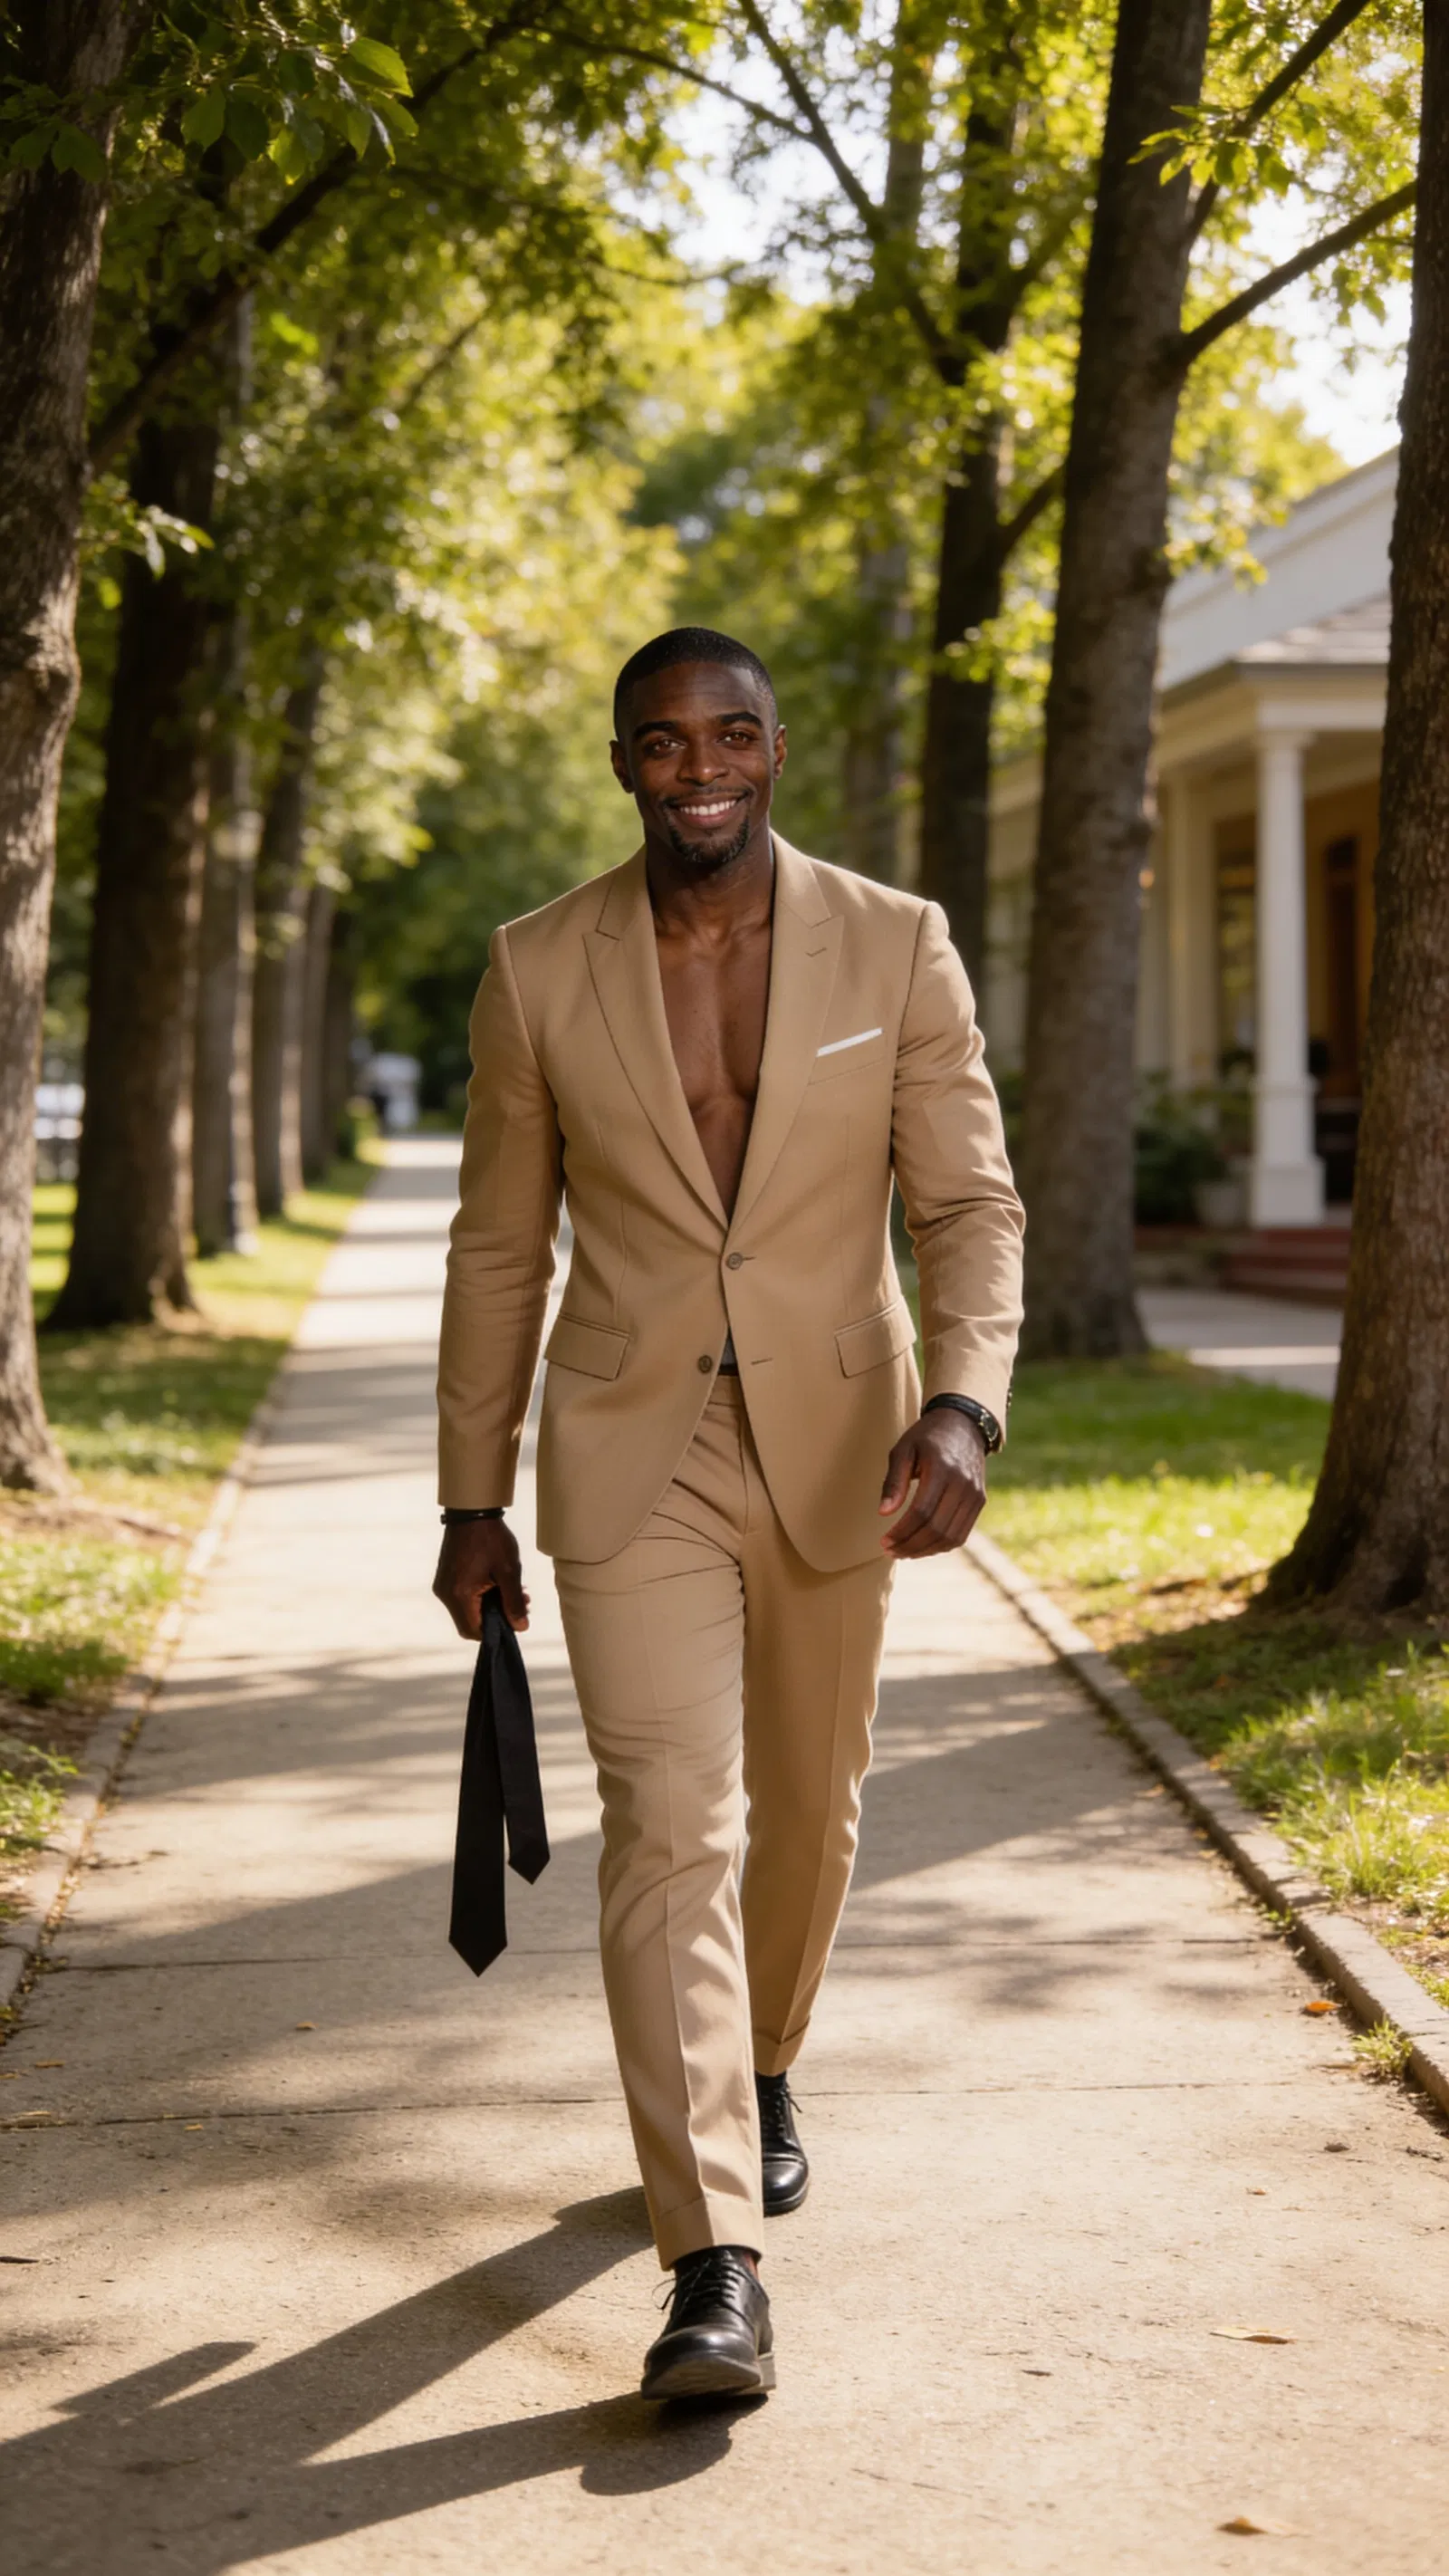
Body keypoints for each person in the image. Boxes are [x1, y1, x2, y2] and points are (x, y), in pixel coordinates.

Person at [434, 627, 1023, 2399]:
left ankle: (761, 2061)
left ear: (776, 749)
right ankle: (710, 2263)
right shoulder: (536, 969)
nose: (700, 765)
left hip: (845, 1434)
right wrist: (471, 1499)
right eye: (663, 740)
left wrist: (966, 1399)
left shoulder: (892, 943)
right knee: (668, 1822)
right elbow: (495, 1249)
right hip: (633, 1446)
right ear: (621, 762)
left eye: (733, 733)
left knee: (808, 1811)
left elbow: (970, 1205)